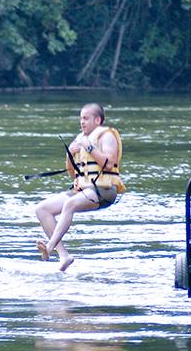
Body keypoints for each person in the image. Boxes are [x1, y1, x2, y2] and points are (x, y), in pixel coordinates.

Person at [35, 103, 125, 271]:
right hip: (82, 190)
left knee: (70, 204)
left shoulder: (107, 136)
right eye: (80, 118)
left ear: (97, 120)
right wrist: (70, 152)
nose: (82, 122)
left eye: (86, 118)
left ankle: (49, 247)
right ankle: (64, 256)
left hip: (103, 191)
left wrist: (88, 147)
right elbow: (72, 172)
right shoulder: (79, 139)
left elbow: (110, 163)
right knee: (42, 209)